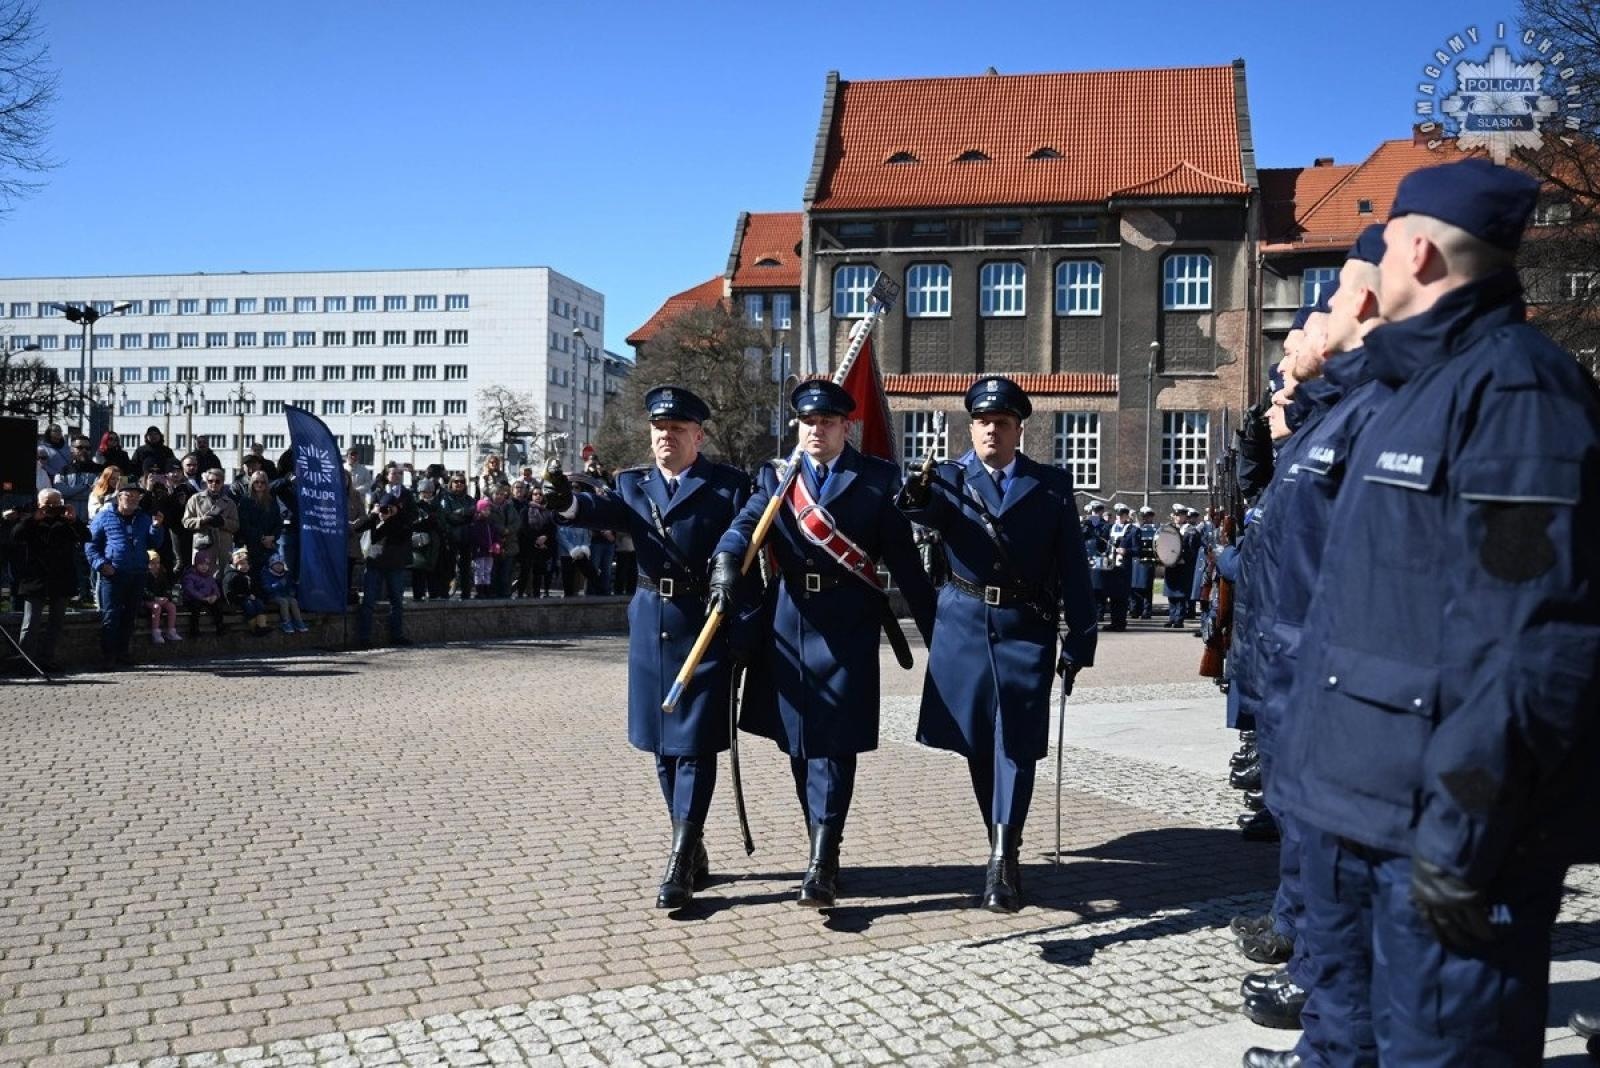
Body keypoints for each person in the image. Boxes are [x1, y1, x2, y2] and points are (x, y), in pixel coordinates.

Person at [1250, 160, 1600, 1068]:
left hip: (1436, 843)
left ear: (1413, 248)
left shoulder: (1518, 394)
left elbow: (1531, 636)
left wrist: (1466, 829)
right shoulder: (1405, 397)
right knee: (1344, 1044)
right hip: (1351, 817)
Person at [1233, 226, 1387, 1040]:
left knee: (1332, 854)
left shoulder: (1365, 417)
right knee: (1308, 842)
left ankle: (1321, 989)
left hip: (1322, 677)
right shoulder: (1315, 425)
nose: (1293, 336)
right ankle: (1314, 976)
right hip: (1290, 667)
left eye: (1310, 321)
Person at [711, 379, 936, 908]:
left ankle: (823, 858)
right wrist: (726, 557)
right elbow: (745, 526)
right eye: (809, 422)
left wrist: (937, 637)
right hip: (787, 621)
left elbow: (905, 564)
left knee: (834, 747)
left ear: (846, 427)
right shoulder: (777, 475)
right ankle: (821, 838)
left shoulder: (876, 477)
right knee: (799, 743)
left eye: (828, 422)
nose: (817, 430)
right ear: (799, 426)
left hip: (847, 624)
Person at [546, 384, 753, 909]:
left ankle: (680, 857)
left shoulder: (727, 486)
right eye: (659, 430)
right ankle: (691, 842)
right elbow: (601, 510)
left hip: (701, 626)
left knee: (695, 746)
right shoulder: (633, 484)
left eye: (677, 431)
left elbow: (747, 548)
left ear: (698, 436)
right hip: (649, 625)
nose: (665, 438)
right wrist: (565, 502)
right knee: (661, 746)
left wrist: (742, 623)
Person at [897, 376, 1096, 911]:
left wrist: (1081, 637)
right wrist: (913, 499)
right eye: (983, 422)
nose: (991, 430)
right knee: (979, 744)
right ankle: (999, 836)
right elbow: (922, 513)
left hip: (1024, 627)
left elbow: (1074, 567)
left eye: (1002, 423)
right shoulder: (946, 478)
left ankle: (1003, 856)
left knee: (1017, 742)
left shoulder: (1050, 484)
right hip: (962, 626)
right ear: (971, 426)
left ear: (1018, 429)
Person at [5, 488, 89, 671]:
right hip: (35, 579)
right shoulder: (31, 521)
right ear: (40, 503)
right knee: (31, 623)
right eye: (48, 504)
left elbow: (85, 536)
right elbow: (15, 537)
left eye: (56, 504)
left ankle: (47, 659)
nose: (52, 508)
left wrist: (74, 519)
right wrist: (32, 518)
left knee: (56, 623)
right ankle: (25, 660)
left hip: (61, 578)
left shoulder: (67, 522)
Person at [85, 478, 166, 668]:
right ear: (119, 497)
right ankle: (108, 656)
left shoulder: (144, 518)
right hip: (113, 574)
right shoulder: (104, 517)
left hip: (137, 573)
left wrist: (156, 527)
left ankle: (123, 653)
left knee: (130, 616)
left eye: (137, 496)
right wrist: (101, 564)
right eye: (129, 495)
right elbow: (90, 545)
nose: (133, 499)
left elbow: (155, 543)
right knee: (111, 616)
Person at [352, 488, 416, 647]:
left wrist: (388, 519)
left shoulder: (402, 521)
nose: (386, 511)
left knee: (396, 601)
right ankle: (364, 638)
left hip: (395, 566)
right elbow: (357, 528)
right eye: (383, 507)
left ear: (396, 508)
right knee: (368, 602)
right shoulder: (375, 518)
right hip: (374, 564)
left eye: (390, 508)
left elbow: (399, 536)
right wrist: (374, 515)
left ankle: (397, 635)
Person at [182, 469, 240, 566]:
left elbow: (236, 525)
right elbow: (186, 522)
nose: (214, 484)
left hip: (223, 547)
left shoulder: (230, 503)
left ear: (222, 483)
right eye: (210, 481)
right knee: (201, 577)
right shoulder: (195, 499)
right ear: (206, 482)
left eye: (217, 481)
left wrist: (223, 522)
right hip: (203, 544)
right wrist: (202, 521)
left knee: (222, 576)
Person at [235, 470, 283, 576]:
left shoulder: (272, 501)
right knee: (253, 575)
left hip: (269, 546)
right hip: (251, 546)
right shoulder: (245, 501)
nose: (259, 484)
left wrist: (273, 537)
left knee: (269, 576)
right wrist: (261, 537)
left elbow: (278, 523)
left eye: (263, 482)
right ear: (252, 483)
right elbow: (244, 524)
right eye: (256, 482)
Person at [437, 473, 476, 598]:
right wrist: (465, 515)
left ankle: (466, 594)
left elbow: (474, 514)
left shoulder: (469, 499)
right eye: (456, 481)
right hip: (451, 537)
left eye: (462, 482)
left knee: (466, 568)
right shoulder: (445, 498)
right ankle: (444, 593)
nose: (459, 484)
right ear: (451, 483)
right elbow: (448, 517)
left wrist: (461, 512)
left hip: (466, 537)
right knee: (448, 567)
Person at [224, 547, 274, 636]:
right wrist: (245, 596)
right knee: (249, 606)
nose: (245, 566)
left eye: (247, 564)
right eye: (242, 564)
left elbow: (254, 588)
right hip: (239, 598)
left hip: (250, 597)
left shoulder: (249, 574)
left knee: (259, 603)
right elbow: (229, 592)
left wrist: (255, 595)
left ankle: (262, 626)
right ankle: (254, 629)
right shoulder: (231, 576)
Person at [1162, 504, 1197, 629]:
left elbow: (1192, 551)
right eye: (1176, 515)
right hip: (1171, 565)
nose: (1177, 518)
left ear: (1184, 516)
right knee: (1171, 593)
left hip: (1183, 566)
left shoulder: (1191, 531)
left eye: (1179, 515)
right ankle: (1172, 617)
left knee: (1180, 594)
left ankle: (1179, 619)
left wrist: (1183, 558)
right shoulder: (1169, 529)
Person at [409, 478, 444, 600]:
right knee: (418, 568)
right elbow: (413, 522)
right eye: (424, 491)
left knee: (433, 568)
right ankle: (418, 594)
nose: (427, 494)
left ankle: (434, 593)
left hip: (434, 541)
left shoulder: (437, 505)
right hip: (420, 541)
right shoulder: (415, 505)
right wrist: (425, 520)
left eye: (429, 492)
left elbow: (442, 522)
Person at [521, 486, 557, 598]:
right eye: (535, 494)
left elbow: (552, 527)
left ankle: (538, 593)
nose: (538, 496)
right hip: (529, 545)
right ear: (531, 495)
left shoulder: (548, 511)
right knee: (525, 572)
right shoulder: (525, 510)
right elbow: (524, 528)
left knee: (540, 572)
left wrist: (545, 537)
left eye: (540, 494)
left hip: (544, 546)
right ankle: (521, 593)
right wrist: (536, 540)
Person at [182, 549, 227, 636]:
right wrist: (202, 598)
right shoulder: (190, 575)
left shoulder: (209, 576)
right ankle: (194, 630)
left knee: (217, 605)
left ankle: (220, 627)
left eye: (206, 564)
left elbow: (215, 588)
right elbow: (190, 590)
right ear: (196, 564)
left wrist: (215, 596)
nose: (204, 567)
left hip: (208, 598)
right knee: (196, 607)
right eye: (201, 564)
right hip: (193, 599)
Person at [260, 553, 308, 634]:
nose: (279, 566)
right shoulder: (266, 574)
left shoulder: (286, 574)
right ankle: (286, 622)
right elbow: (267, 588)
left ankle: (298, 621)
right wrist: (279, 585)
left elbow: (290, 585)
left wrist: (293, 589)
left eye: (280, 564)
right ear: (272, 565)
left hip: (284, 595)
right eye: (276, 564)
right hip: (272, 596)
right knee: (284, 602)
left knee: (293, 601)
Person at [142, 550, 181, 644]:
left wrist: (166, 597)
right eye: (152, 563)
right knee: (156, 607)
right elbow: (143, 590)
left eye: (157, 563)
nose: (156, 565)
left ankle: (171, 630)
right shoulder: (144, 575)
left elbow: (167, 587)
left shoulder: (162, 574)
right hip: (148, 600)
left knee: (171, 606)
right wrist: (154, 598)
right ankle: (155, 632)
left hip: (161, 599)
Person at [467, 497, 500, 598]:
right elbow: (476, 537)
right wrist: (487, 546)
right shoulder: (476, 523)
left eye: (488, 510)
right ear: (480, 510)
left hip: (489, 552)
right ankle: (479, 591)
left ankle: (487, 590)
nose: (487, 512)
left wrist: (496, 544)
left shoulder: (490, 522)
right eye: (485, 509)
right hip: (480, 551)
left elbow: (495, 535)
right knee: (479, 571)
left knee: (487, 570)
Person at [1129, 506, 1158, 618]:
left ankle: (1147, 611)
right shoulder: (1136, 528)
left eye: (1148, 516)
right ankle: (1135, 609)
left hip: (1148, 561)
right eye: (1144, 516)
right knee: (1135, 587)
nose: (1146, 518)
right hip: (1136, 560)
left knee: (1146, 588)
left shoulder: (1155, 528)